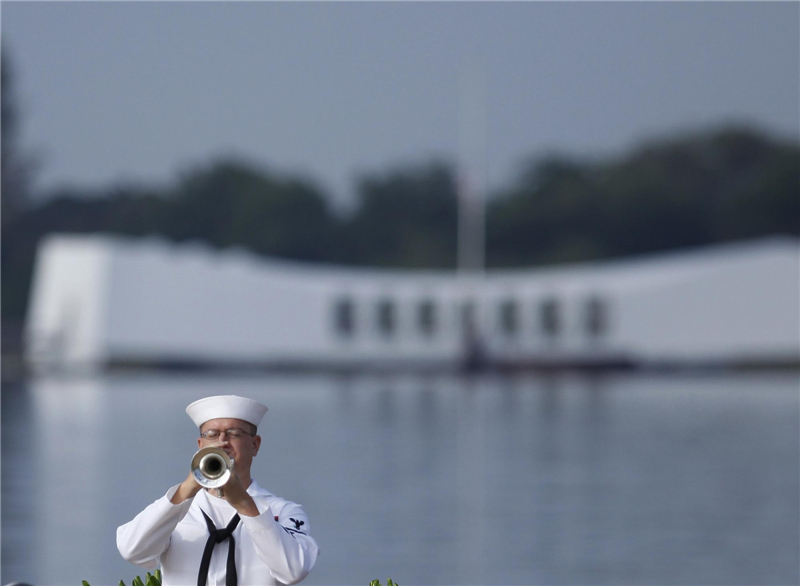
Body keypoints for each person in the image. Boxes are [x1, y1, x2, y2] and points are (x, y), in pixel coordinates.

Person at [117, 395, 319, 586]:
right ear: (200, 445)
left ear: (255, 445)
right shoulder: (175, 509)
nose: (223, 442)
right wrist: (186, 489)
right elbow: (133, 551)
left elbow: (293, 571)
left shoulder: (282, 511)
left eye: (234, 433)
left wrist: (244, 504)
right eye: (212, 434)